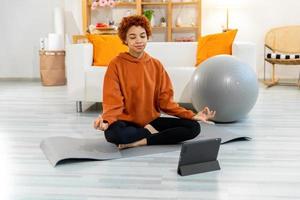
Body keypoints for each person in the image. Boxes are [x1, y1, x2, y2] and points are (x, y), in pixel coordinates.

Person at [94, 15, 215, 149]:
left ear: (147, 37)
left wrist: (192, 115)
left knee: (193, 127)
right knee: (112, 134)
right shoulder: (116, 65)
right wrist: (106, 122)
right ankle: (150, 134)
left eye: (142, 36)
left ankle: (140, 141)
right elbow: (113, 102)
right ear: (125, 40)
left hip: (152, 122)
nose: (139, 41)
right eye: (133, 37)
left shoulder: (156, 65)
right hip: (126, 122)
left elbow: (166, 103)